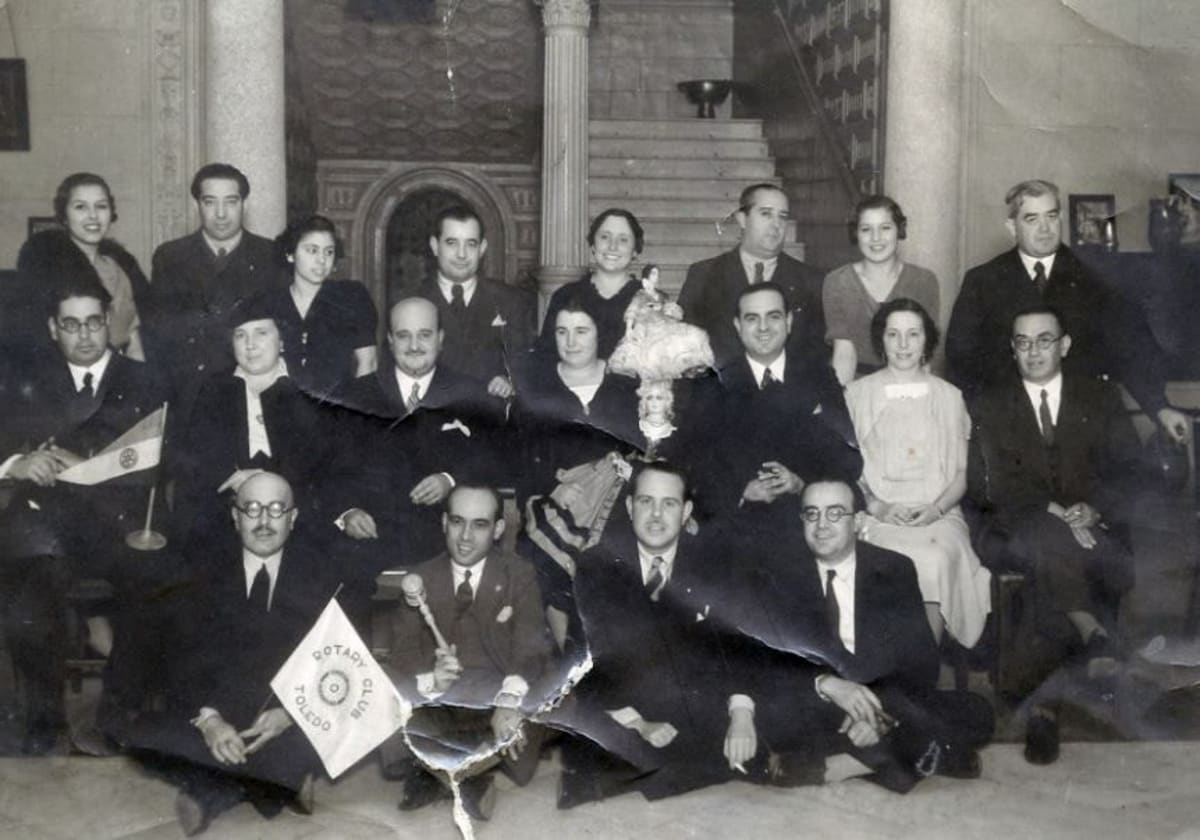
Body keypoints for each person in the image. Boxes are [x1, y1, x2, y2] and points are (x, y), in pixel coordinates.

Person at [730, 479, 994, 792]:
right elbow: (762, 660)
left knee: (978, 712)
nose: (822, 525)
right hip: (817, 705)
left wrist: (880, 715)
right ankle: (921, 756)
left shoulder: (894, 569)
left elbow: (921, 664)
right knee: (775, 714)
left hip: (880, 702)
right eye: (811, 514)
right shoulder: (780, 573)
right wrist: (826, 684)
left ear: (856, 522)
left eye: (835, 514)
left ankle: (837, 766)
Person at [0, 274, 167, 753]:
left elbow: (162, 457)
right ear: (53, 328)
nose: (85, 335)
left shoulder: (143, 380)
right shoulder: (25, 379)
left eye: (94, 322)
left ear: (108, 323)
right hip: (46, 523)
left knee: (157, 580)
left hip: (119, 521)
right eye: (71, 325)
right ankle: (45, 723)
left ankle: (115, 716)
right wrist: (19, 462)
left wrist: (91, 468)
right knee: (27, 593)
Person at [968, 305, 1141, 765]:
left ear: (1064, 345)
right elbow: (985, 483)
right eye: (1022, 342)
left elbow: (1130, 471)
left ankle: (1040, 705)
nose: (1033, 351)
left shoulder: (1099, 399)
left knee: (1050, 555)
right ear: (1012, 349)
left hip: (1092, 531)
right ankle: (1090, 631)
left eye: (1044, 340)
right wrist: (1054, 511)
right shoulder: (990, 403)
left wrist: (1094, 508)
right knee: (1047, 538)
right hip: (1013, 528)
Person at [122, 472, 331, 836]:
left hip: (283, 718)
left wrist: (292, 714)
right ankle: (276, 784)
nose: (264, 521)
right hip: (220, 711)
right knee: (141, 733)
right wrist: (210, 722)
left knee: (329, 729)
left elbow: (334, 666)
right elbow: (180, 664)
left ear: (293, 518)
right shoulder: (199, 575)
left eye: (276, 509)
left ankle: (213, 790)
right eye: (251, 509)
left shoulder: (322, 576)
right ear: (235, 517)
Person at [557, 462, 751, 806]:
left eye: (669, 504)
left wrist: (741, 714)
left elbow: (735, 646)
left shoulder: (712, 564)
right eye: (646, 502)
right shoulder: (597, 565)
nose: (657, 515)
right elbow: (595, 659)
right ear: (630, 508)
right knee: (593, 743)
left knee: (758, 727)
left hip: (689, 702)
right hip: (622, 702)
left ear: (686, 511)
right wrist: (639, 723)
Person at [946, 179, 1189, 445]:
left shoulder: (1095, 280)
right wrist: (974, 415)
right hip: (1008, 427)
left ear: (1060, 217)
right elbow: (961, 361)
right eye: (1031, 219)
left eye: (1051, 216)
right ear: (1011, 227)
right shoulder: (982, 282)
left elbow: (1128, 351)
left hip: (1080, 428)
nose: (1044, 229)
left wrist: (1159, 407)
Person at [380, 485, 553, 822]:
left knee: (555, 690)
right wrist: (432, 678)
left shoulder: (518, 573)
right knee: (382, 683)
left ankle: (439, 771)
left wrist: (508, 701)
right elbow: (402, 651)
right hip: (444, 702)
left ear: (498, 529)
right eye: (458, 522)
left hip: (494, 697)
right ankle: (471, 776)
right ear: (444, 522)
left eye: (480, 525)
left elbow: (531, 644)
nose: (465, 537)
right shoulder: (421, 577)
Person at [846, 299, 991, 647]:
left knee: (935, 556)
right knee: (887, 558)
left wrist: (935, 510)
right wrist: (878, 507)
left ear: (927, 340)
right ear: (881, 340)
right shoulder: (855, 394)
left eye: (913, 334)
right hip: (877, 514)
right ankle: (888, 669)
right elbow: (847, 470)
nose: (903, 344)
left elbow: (960, 474)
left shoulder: (950, 396)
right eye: (893, 334)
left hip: (939, 515)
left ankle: (924, 671)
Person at [337, 297, 505, 571]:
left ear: (440, 339)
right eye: (404, 336)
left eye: (424, 335)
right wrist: (347, 512)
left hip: (448, 548)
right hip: (369, 545)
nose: (414, 346)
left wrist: (450, 480)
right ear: (390, 341)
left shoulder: (472, 394)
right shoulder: (356, 396)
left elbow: (493, 460)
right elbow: (332, 470)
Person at [171, 295, 347, 547]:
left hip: (299, 516)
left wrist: (269, 484)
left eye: (261, 333)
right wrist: (232, 478)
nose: (250, 345)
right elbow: (195, 460)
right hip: (229, 516)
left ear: (282, 339)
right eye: (240, 335)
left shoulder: (310, 387)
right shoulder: (213, 389)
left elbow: (327, 462)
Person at [513, 294, 638, 648]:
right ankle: (565, 650)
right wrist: (552, 489)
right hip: (557, 499)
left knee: (614, 552)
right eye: (562, 332)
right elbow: (522, 458)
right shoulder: (537, 391)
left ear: (601, 335)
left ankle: (604, 648)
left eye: (581, 331)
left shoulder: (626, 386)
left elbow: (643, 448)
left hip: (616, 500)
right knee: (545, 544)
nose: (571, 342)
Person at [696, 283, 860, 528]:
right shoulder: (715, 384)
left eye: (773, 317)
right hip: (739, 525)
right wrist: (742, 491)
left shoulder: (819, 377)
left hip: (808, 522)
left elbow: (847, 458)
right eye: (752, 318)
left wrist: (801, 484)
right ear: (738, 326)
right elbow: (701, 466)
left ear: (789, 321)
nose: (763, 328)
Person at [143, 163, 280, 400]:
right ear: (197, 205)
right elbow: (160, 333)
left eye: (230, 202)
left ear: (244, 205)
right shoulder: (170, 257)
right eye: (210, 202)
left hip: (250, 389)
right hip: (188, 389)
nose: (220, 213)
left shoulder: (270, 255)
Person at [679, 182, 826, 367]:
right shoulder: (704, 274)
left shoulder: (812, 281)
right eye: (766, 214)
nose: (776, 225)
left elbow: (818, 353)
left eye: (783, 217)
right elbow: (684, 345)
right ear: (742, 219)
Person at [15, 172, 150, 359]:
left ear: (111, 213)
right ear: (64, 216)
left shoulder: (121, 266)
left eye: (101, 206)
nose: (93, 216)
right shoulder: (48, 269)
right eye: (81, 207)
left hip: (121, 373)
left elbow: (133, 338)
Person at [411, 204, 536, 399]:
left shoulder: (511, 300)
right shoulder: (412, 303)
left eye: (471, 244)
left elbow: (525, 362)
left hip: (492, 417)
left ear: (482, 248)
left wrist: (509, 379)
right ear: (435, 246)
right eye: (452, 243)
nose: (462, 254)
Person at [824, 195, 940, 385]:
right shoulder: (837, 281)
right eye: (866, 229)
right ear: (856, 234)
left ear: (899, 230)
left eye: (885, 228)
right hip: (857, 384)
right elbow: (844, 355)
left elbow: (924, 355)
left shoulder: (924, 281)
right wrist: (840, 405)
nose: (876, 238)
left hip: (908, 383)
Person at [265, 214, 377, 399]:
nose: (322, 260)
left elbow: (368, 363)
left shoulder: (352, 297)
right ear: (290, 254)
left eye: (329, 252)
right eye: (312, 250)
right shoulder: (271, 303)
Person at [537, 208, 644, 361]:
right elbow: (546, 357)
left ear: (635, 250)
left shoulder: (650, 299)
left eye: (623, 240)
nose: (612, 246)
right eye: (605, 237)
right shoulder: (565, 296)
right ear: (593, 245)